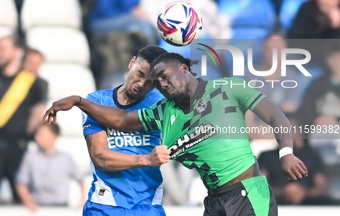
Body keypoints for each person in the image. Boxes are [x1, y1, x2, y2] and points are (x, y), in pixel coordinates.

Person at [44, 53, 309, 216]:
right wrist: (80, 101)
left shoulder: (228, 88)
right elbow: (120, 119)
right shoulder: (163, 111)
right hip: (215, 200)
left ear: (184, 68)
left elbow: (276, 116)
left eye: (164, 76)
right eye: (157, 82)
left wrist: (286, 152)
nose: (162, 84)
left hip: (248, 193)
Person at [83, 46, 169, 215]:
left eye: (150, 82)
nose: (141, 84)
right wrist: (146, 159)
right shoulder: (96, 101)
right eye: (140, 74)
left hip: (148, 206)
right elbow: (100, 158)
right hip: (104, 206)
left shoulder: (162, 105)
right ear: (132, 63)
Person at [0, 36, 48, 203]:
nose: (0, 53)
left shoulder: (33, 82)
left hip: (18, 149)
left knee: (21, 201)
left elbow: (38, 113)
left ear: (17, 52)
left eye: (3, 49)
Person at [16, 122, 85, 210]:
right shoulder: (31, 157)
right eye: (37, 134)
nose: (37, 138)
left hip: (62, 208)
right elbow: (21, 183)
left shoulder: (66, 158)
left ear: (53, 136)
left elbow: (81, 180)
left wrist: (82, 199)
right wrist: (28, 201)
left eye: (42, 135)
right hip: (38, 209)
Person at [258, 130, 334, 205]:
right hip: (275, 202)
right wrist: (284, 192)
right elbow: (259, 186)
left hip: (308, 204)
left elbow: (321, 187)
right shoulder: (266, 156)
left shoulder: (313, 156)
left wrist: (303, 193)